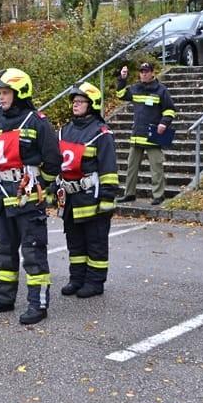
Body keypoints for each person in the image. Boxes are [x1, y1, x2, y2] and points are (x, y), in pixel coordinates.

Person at [0, 69, 60, 325]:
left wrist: (38, 185)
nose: (1, 98)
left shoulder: (37, 122)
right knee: (4, 252)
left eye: (5, 92)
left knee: (33, 253)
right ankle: (4, 298)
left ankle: (38, 303)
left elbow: (53, 162)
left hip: (27, 200)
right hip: (1, 197)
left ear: (20, 93)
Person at [56, 82, 119, 298]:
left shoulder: (102, 133)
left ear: (92, 104)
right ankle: (77, 278)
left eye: (81, 101)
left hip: (92, 197)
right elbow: (58, 162)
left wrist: (107, 199)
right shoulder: (65, 130)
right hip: (70, 198)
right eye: (74, 101)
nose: (76, 105)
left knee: (96, 242)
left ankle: (94, 282)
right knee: (74, 242)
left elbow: (109, 169)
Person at [115, 61, 176, 206]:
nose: (144, 74)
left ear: (152, 73)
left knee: (156, 167)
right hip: (137, 136)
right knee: (131, 167)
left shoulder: (161, 90)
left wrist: (163, 123)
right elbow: (120, 94)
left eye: (146, 71)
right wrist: (122, 79)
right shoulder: (135, 88)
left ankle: (159, 195)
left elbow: (170, 110)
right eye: (142, 71)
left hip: (152, 136)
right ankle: (129, 194)